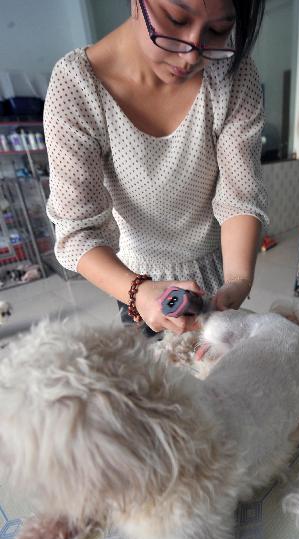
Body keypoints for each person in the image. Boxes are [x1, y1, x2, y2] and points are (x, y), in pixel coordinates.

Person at [44, 0, 268, 337]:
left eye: (219, 30)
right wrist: (140, 294)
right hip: (136, 283)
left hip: (218, 269)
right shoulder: (76, 88)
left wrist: (237, 280)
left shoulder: (233, 73)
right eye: (177, 19)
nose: (192, 54)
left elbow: (240, 196)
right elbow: (77, 231)